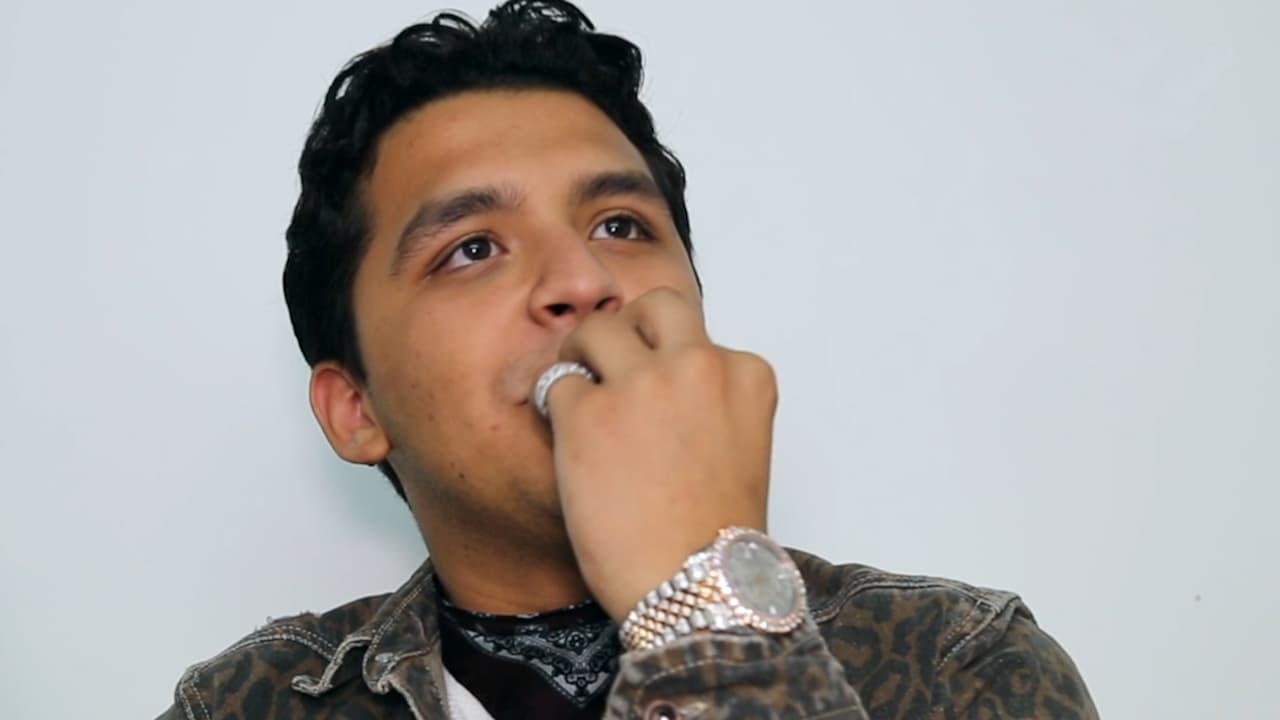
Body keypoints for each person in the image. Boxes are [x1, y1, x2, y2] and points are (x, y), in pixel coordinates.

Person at [159, 2, 1098, 718]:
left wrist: (709, 606)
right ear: (356, 409)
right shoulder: (245, 706)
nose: (583, 279)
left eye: (620, 225)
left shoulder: (955, 665)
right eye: (473, 248)